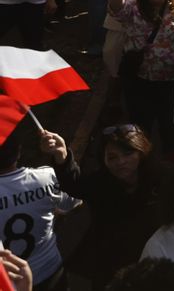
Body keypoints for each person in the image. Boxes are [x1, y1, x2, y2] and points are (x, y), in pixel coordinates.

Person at [40, 124, 160, 289]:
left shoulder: (162, 181)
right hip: (111, 267)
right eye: (112, 157)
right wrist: (61, 154)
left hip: (154, 262)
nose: (121, 162)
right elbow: (75, 185)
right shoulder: (101, 184)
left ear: (142, 152)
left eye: (128, 153)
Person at [106, 0, 174, 155]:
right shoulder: (133, 7)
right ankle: (142, 159)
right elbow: (117, 10)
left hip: (170, 80)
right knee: (141, 123)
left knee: (169, 122)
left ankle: (170, 158)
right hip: (138, 79)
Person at [0, 132, 79, 291]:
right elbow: (74, 201)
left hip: (10, 280)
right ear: (19, 151)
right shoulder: (47, 177)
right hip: (51, 271)